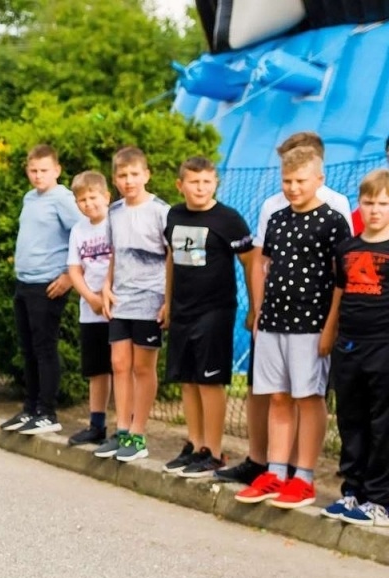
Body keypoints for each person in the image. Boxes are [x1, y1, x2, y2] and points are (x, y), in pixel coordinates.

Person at [218, 132, 357, 486]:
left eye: (300, 180)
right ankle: (275, 472)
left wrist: (331, 324)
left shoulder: (334, 213)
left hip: (310, 320)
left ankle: (303, 474)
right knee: (278, 395)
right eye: (287, 180)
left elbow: (340, 274)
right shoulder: (276, 214)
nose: (293, 187)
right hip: (274, 320)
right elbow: (262, 261)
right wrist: (259, 309)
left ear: (319, 177)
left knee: (308, 395)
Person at [161, 157, 255, 479]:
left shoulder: (228, 219)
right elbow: (172, 257)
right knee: (188, 379)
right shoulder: (173, 215)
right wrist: (167, 302)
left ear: (215, 183)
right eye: (193, 182)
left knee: (209, 380)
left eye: (207, 182)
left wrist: (256, 306)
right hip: (182, 310)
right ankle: (196, 444)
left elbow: (251, 261)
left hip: (215, 311)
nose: (200, 188)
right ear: (180, 185)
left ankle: (214, 452)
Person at [320, 168, 389, 525]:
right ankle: (354, 492)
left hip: (383, 347)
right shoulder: (348, 247)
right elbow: (340, 294)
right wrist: (329, 333)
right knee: (351, 419)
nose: (375, 209)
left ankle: (380, 499)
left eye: (383, 203)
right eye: (369, 202)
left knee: (382, 423)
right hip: (349, 345)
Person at [95, 147, 169, 462]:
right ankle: (122, 429)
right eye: (123, 176)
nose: (129, 181)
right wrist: (107, 286)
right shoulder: (114, 211)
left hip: (151, 299)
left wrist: (169, 299)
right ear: (115, 179)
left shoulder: (162, 211)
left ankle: (139, 434)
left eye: (134, 174)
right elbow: (115, 253)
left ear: (146, 175)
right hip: (121, 299)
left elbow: (172, 257)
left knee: (143, 366)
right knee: (119, 364)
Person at [4, 145, 80, 437]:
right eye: (33, 171)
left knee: (44, 349)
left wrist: (68, 276)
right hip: (25, 281)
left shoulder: (63, 199)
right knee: (28, 349)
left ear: (57, 171)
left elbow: (83, 234)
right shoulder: (30, 198)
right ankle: (30, 407)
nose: (38, 176)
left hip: (47, 284)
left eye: (44, 171)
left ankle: (48, 411)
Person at [65, 171, 116, 448]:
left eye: (93, 197)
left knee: (121, 369)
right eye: (82, 200)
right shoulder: (78, 230)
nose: (89, 204)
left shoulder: (115, 223)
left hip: (117, 306)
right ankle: (96, 425)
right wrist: (91, 298)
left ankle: (127, 428)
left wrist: (106, 297)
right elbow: (74, 269)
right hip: (91, 309)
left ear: (106, 197)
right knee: (97, 369)